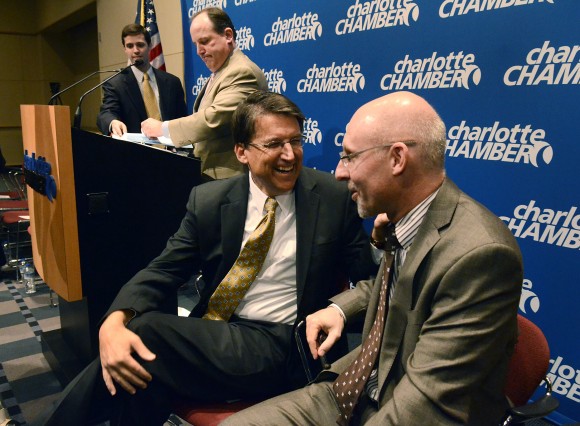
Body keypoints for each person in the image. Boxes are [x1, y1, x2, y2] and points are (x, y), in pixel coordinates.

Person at [41, 91, 377, 426]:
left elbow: (371, 280)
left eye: (296, 141)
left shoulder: (332, 197)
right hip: (221, 333)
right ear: (242, 152)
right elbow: (165, 269)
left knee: (146, 335)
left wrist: (337, 310)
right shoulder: (210, 200)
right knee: (139, 369)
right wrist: (114, 322)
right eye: (274, 144)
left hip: (289, 344)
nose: (290, 154)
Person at [223, 91, 524, 425]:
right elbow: (401, 289)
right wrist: (339, 308)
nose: (339, 172)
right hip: (354, 385)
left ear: (397, 159)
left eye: (350, 157)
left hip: (399, 407)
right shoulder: (403, 218)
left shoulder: (480, 255)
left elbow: (423, 407)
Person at [141, 7, 268, 181]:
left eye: (205, 41)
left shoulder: (242, 71)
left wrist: (163, 128)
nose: (199, 51)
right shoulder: (223, 70)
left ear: (228, 35)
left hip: (230, 178)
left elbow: (213, 119)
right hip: (212, 174)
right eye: (196, 44)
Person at [96, 23, 187, 137]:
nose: (136, 50)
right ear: (125, 49)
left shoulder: (172, 82)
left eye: (140, 45)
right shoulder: (115, 84)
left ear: (150, 46)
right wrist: (113, 122)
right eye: (130, 46)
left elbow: (182, 120)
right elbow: (106, 113)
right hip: (135, 147)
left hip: (170, 146)